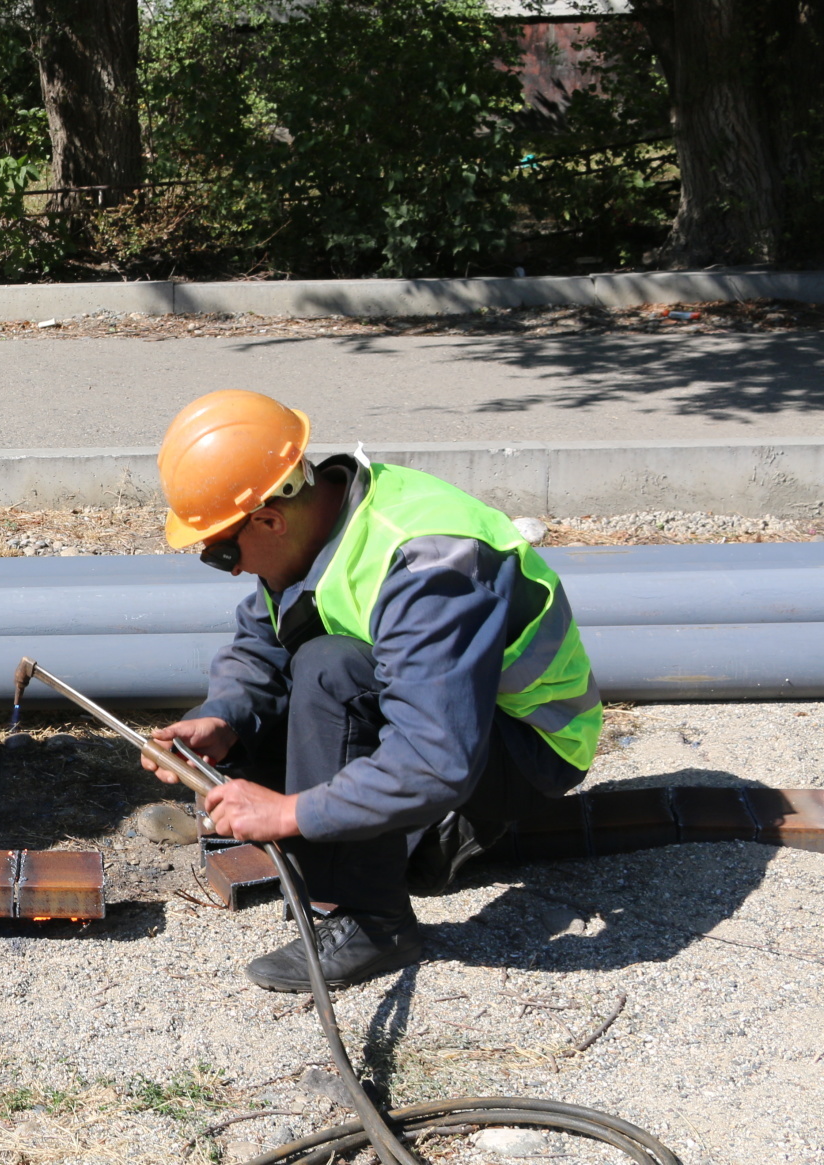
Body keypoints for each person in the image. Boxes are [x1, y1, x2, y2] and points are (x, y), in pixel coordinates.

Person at [146, 390, 600, 991]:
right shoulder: (322, 528)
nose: (228, 567)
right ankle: (356, 853)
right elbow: (264, 641)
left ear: (270, 518)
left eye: (223, 551)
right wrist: (224, 718)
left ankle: (372, 923)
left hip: (527, 746)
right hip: (450, 722)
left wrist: (289, 812)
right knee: (314, 667)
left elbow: (435, 760)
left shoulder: (430, 568)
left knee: (332, 668)